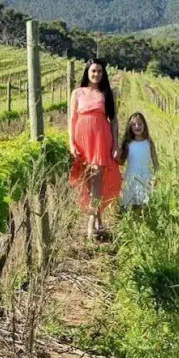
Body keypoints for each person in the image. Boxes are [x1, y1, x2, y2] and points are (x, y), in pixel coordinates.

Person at [68, 59, 121, 237]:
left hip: (100, 140)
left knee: (97, 181)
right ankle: (98, 220)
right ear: (87, 72)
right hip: (82, 140)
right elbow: (72, 120)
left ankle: (91, 223)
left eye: (99, 71)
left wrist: (116, 144)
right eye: (93, 71)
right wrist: (71, 143)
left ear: (103, 74)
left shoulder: (106, 93)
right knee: (88, 182)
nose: (96, 74)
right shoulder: (77, 93)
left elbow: (113, 121)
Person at [119, 111, 157, 208]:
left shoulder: (149, 142)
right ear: (130, 127)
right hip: (131, 177)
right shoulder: (128, 143)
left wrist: (156, 176)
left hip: (145, 177)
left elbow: (155, 161)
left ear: (144, 125)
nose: (137, 126)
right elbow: (121, 162)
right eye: (134, 124)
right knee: (130, 205)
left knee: (144, 205)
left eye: (140, 124)